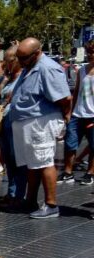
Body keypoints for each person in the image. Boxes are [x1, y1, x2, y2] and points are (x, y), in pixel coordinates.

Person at [11, 37, 71, 219]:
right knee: (33, 164)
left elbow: (64, 98)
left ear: (37, 53)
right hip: (28, 123)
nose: (20, 62)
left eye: (23, 58)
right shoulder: (29, 67)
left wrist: (64, 120)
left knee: (44, 162)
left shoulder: (47, 68)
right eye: (18, 58)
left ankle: (51, 204)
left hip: (40, 122)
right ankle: (30, 201)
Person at [0, 45, 27, 209]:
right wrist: (3, 81)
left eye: (9, 60)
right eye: (5, 60)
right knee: (8, 160)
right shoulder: (5, 79)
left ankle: (19, 195)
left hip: (17, 122)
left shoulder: (25, 77)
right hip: (3, 122)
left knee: (17, 159)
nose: (6, 64)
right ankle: (11, 193)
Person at [60, 40, 94, 185]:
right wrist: (70, 112)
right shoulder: (81, 70)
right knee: (70, 144)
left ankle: (90, 173)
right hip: (78, 114)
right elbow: (76, 91)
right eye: (89, 51)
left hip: (92, 115)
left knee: (93, 146)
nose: (90, 54)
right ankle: (68, 172)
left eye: (93, 52)